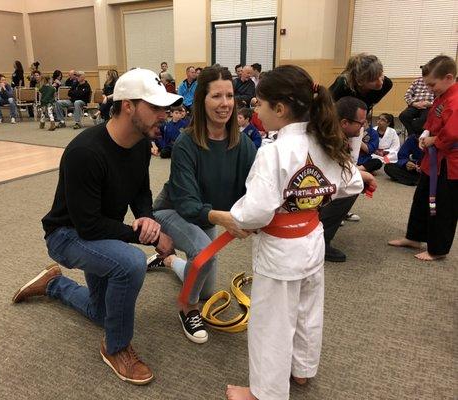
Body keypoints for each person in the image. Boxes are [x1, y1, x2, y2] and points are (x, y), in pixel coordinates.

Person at [12, 68, 181, 385]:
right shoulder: (85, 152)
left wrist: (146, 217)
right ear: (128, 105)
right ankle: (116, 348)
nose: (164, 115)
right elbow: (87, 226)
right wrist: (144, 236)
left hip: (101, 233)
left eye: (165, 107)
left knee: (103, 314)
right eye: (156, 107)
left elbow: (140, 190)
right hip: (68, 235)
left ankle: (53, 284)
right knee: (130, 264)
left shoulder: (141, 144)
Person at [225, 65, 368, 400]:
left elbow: (257, 211)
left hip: (279, 250)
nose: (256, 110)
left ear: (280, 108)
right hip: (312, 239)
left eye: (260, 104)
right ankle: (302, 370)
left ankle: (264, 392)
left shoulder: (273, 151)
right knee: (307, 309)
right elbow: (352, 182)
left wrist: (235, 217)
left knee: (272, 322)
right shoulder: (327, 140)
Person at [148, 66, 257, 344]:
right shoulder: (186, 143)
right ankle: (187, 308)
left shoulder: (243, 145)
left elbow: (254, 189)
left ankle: (169, 259)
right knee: (202, 255)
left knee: (206, 286)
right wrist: (225, 218)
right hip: (170, 211)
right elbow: (186, 203)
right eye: (216, 96)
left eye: (230, 96)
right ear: (202, 101)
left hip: (208, 217)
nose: (225, 103)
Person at [389, 55, 458, 261]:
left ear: (448, 77)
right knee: (421, 198)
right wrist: (425, 134)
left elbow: (453, 133)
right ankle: (414, 237)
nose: (429, 89)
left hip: (450, 163)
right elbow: (432, 119)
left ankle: (438, 250)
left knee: (444, 206)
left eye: (432, 84)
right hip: (432, 158)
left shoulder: (455, 100)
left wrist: (434, 141)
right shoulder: (441, 96)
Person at [320, 96, 373, 262]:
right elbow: (332, 174)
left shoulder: (332, 131)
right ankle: (321, 242)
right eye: (361, 122)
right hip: (302, 191)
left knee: (357, 182)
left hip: (314, 185)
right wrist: (362, 175)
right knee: (353, 186)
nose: (364, 126)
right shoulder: (328, 138)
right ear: (344, 123)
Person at [399, 67, 434, 137]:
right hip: (415, 105)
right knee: (403, 116)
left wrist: (430, 104)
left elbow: (440, 97)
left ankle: (415, 137)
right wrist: (414, 103)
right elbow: (407, 95)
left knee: (418, 123)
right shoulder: (417, 81)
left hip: (428, 106)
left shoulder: (435, 81)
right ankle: (413, 135)